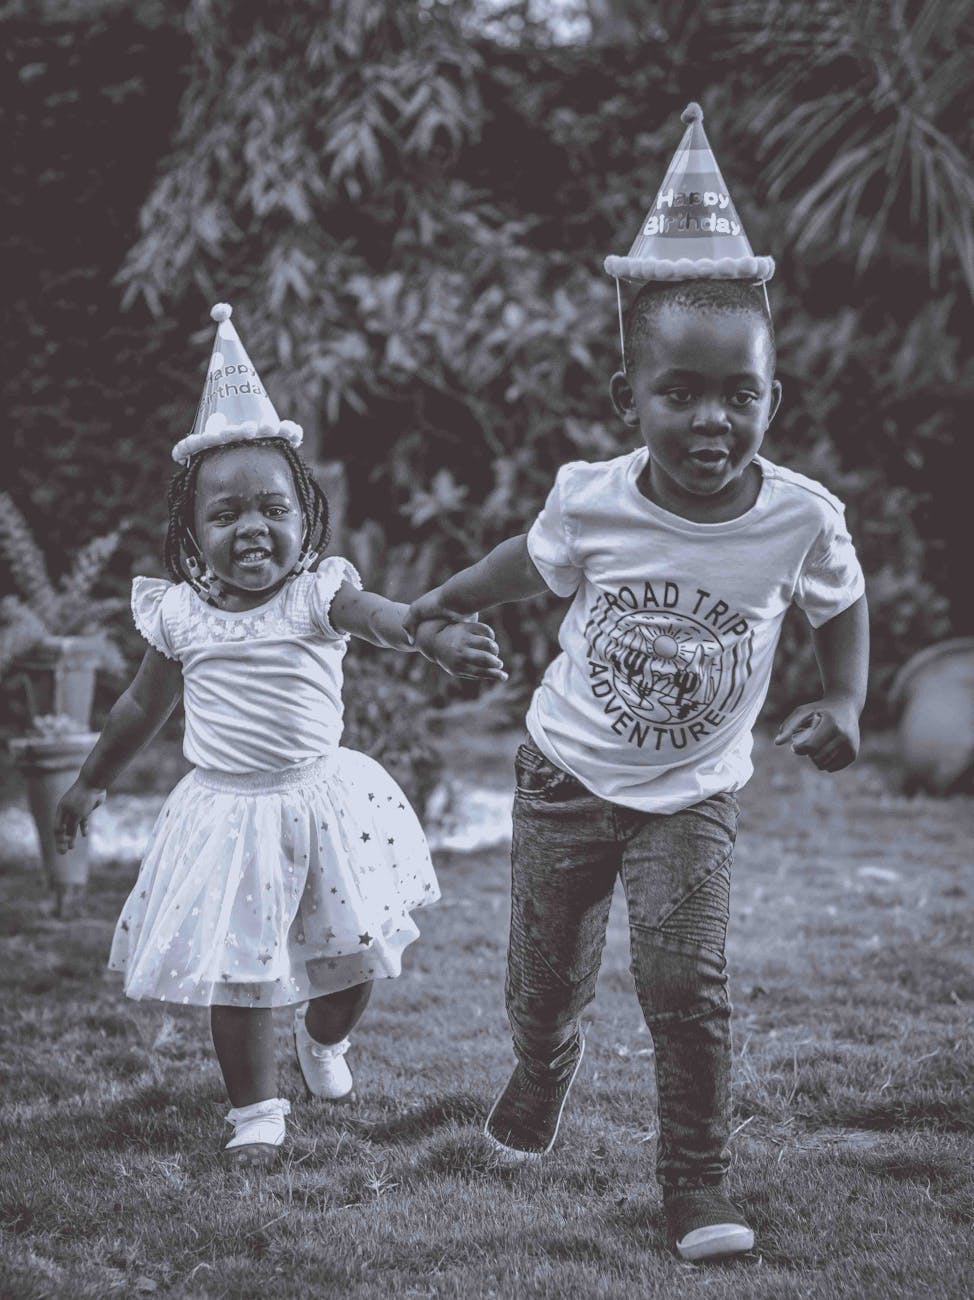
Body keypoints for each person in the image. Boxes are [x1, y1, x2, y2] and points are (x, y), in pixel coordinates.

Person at [404, 274, 869, 1260]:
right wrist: (438, 606)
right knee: (542, 982)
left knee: (686, 986)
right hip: (563, 777)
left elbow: (838, 602)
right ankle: (540, 1070)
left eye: (737, 394)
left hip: (690, 800)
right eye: (680, 391)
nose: (711, 418)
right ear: (629, 397)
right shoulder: (590, 499)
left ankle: (694, 1182)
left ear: (770, 399)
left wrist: (844, 699)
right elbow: (520, 564)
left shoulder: (798, 518)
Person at [54, 303, 506, 1167]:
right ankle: (254, 1111)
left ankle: (325, 1043)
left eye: (271, 508)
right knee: (242, 967)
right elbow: (140, 709)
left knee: (355, 957)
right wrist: (92, 779)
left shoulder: (316, 594)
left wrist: (428, 631)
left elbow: (377, 617)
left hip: (324, 799)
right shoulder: (180, 616)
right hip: (228, 813)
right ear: (191, 536)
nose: (250, 528)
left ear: (305, 516)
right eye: (225, 516)